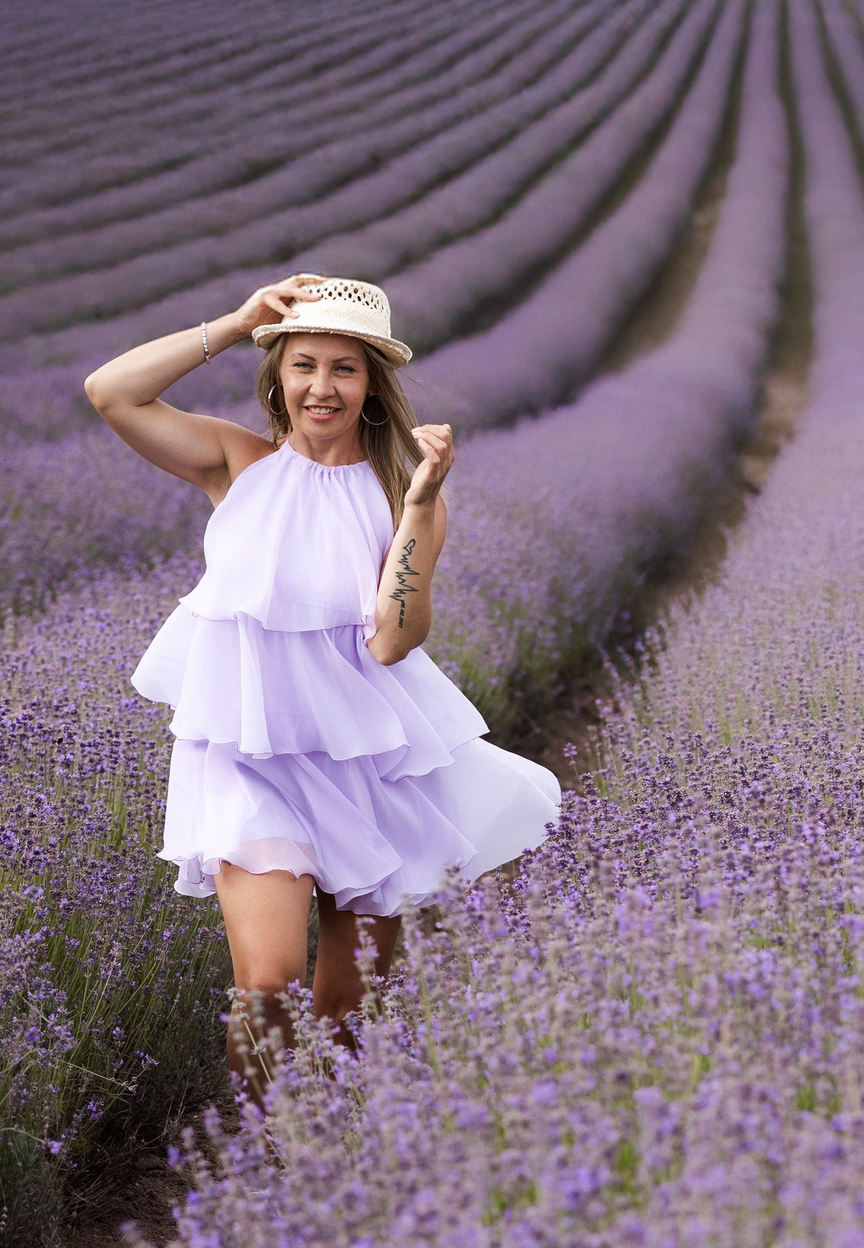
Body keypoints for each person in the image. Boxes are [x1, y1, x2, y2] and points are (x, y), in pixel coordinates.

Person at [84, 272, 560, 1105]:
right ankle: (261, 1148)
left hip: (370, 763)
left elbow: (394, 640)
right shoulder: (238, 464)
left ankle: (324, 1150)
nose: (321, 386)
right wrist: (237, 322)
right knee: (267, 984)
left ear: (372, 384)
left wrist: (419, 505)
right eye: (303, 364)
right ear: (279, 374)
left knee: (345, 1009)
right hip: (252, 757)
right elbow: (110, 391)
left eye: (344, 368)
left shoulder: (404, 495)